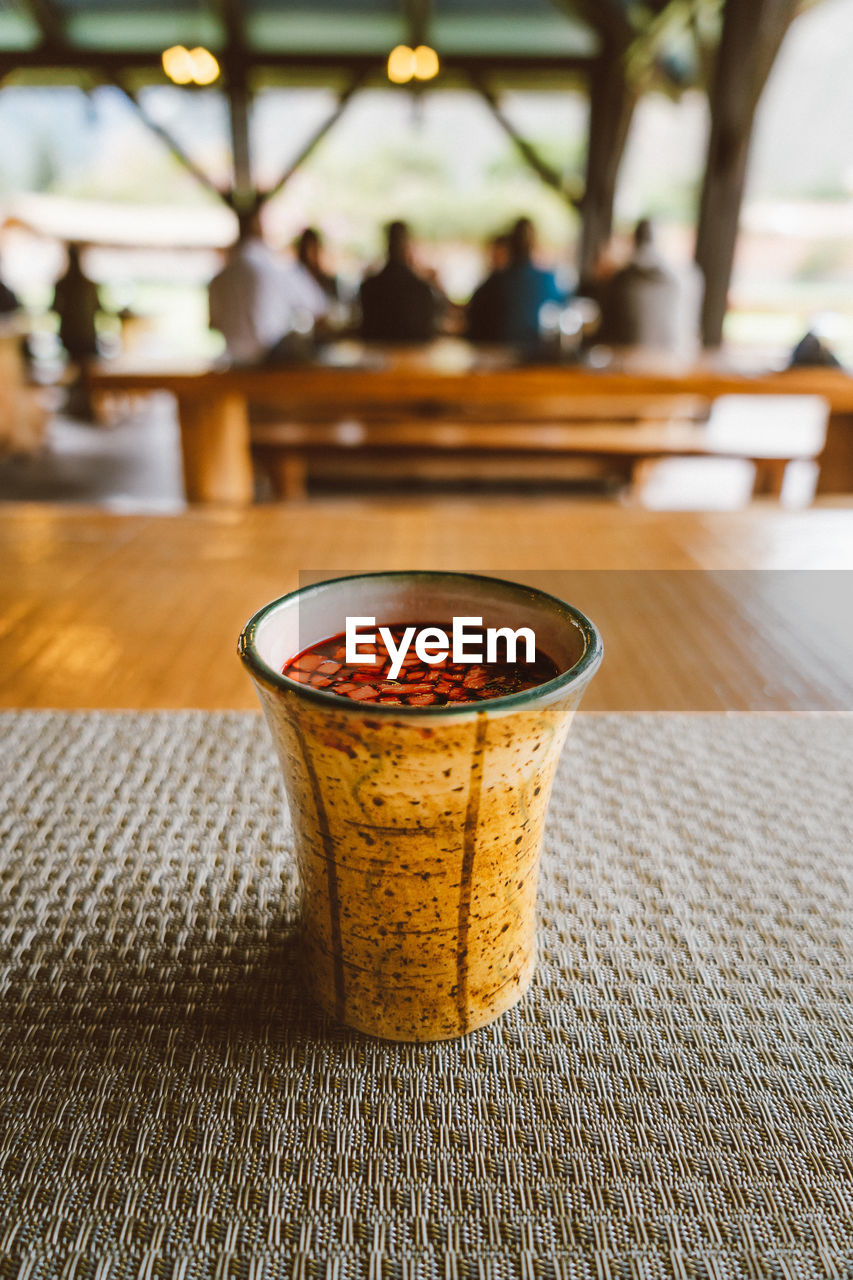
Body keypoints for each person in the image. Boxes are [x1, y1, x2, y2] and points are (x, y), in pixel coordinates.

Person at [209, 211, 327, 365]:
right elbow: (318, 306)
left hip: (232, 362)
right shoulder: (277, 268)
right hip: (270, 362)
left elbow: (213, 324)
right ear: (260, 230)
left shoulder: (219, 277)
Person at [597, 218, 703, 360]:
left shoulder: (619, 279)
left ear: (634, 239)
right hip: (675, 364)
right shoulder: (687, 278)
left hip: (625, 366)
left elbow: (604, 331)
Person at [466, 217, 567, 346]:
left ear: (509, 246)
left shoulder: (493, 284)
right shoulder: (548, 281)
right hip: (537, 358)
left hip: (496, 357)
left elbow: (472, 328)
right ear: (534, 245)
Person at [358, 221, 437, 343]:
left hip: (375, 359)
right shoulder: (422, 289)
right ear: (407, 245)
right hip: (414, 360)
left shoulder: (369, 287)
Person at [53, 243, 100, 362]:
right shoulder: (90, 285)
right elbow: (98, 308)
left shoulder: (62, 284)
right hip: (87, 336)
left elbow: (55, 308)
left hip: (69, 336)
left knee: (75, 365)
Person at [296, 227, 339, 303]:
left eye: (316, 247)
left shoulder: (324, 278)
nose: (314, 252)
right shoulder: (297, 276)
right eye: (311, 248)